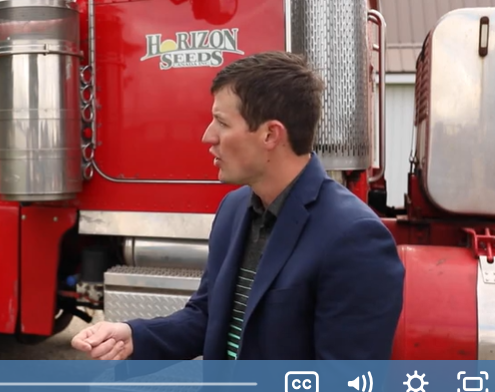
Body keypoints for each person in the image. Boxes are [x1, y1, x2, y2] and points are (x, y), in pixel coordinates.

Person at [71, 51, 405, 360]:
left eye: (223, 122)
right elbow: (207, 316)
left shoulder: (353, 238)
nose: (207, 136)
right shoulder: (234, 209)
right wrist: (134, 336)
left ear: (270, 135)